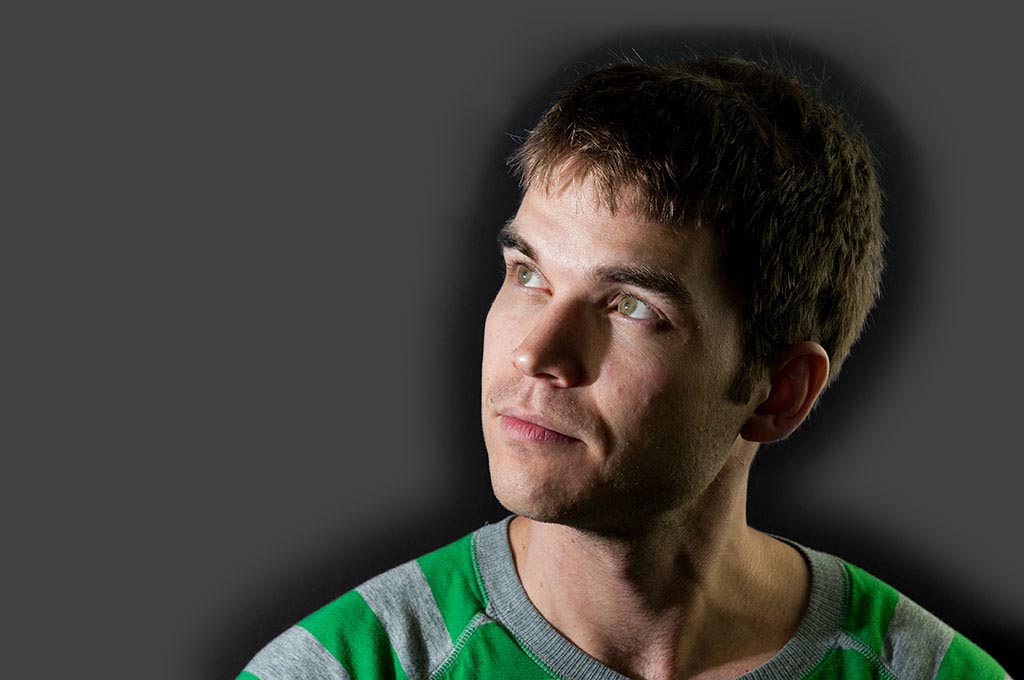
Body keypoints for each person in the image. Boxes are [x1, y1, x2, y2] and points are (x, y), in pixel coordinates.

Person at [238, 56, 1009, 680]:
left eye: (631, 306)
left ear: (778, 392)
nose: (536, 353)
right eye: (528, 274)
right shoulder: (346, 668)